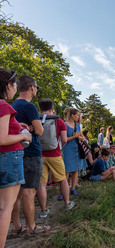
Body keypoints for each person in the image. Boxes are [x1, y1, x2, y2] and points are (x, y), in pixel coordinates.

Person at [11, 75, 51, 237]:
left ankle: (16, 227)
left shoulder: (13, 105)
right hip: (31, 153)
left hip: (16, 152)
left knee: (16, 194)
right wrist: (35, 128)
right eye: (36, 87)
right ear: (32, 88)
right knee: (29, 192)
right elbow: (40, 131)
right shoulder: (29, 107)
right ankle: (31, 227)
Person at [0, 69, 32, 246]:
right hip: (8, 157)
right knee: (5, 208)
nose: (15, 88)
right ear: (8, 86)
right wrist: (24, 136)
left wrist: (15, 125)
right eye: (14, 85)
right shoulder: (4, 106)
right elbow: (2, 138)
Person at [37, 99, 75, 217]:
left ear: (40, 109)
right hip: (55, 155)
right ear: (52, 108)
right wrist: (59, 148)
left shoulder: (36, 120)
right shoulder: (58, 121)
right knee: (62, 180)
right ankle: (67, 203)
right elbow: (64, 140)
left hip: (40, 155)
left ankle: (43, 211)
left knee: (42, 184)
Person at [62, 108, 84, 197]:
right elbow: (64, 139)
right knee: (66, 171)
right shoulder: (64, 125)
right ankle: (63, 191)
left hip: (76, 150)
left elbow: (82, 138)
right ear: (72, 115)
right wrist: (74, 137)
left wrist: (78, 137)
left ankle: (73, 189)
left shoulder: (77, 125)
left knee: (75, 170)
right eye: (77, 115)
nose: (78, 117)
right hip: (67, 150)